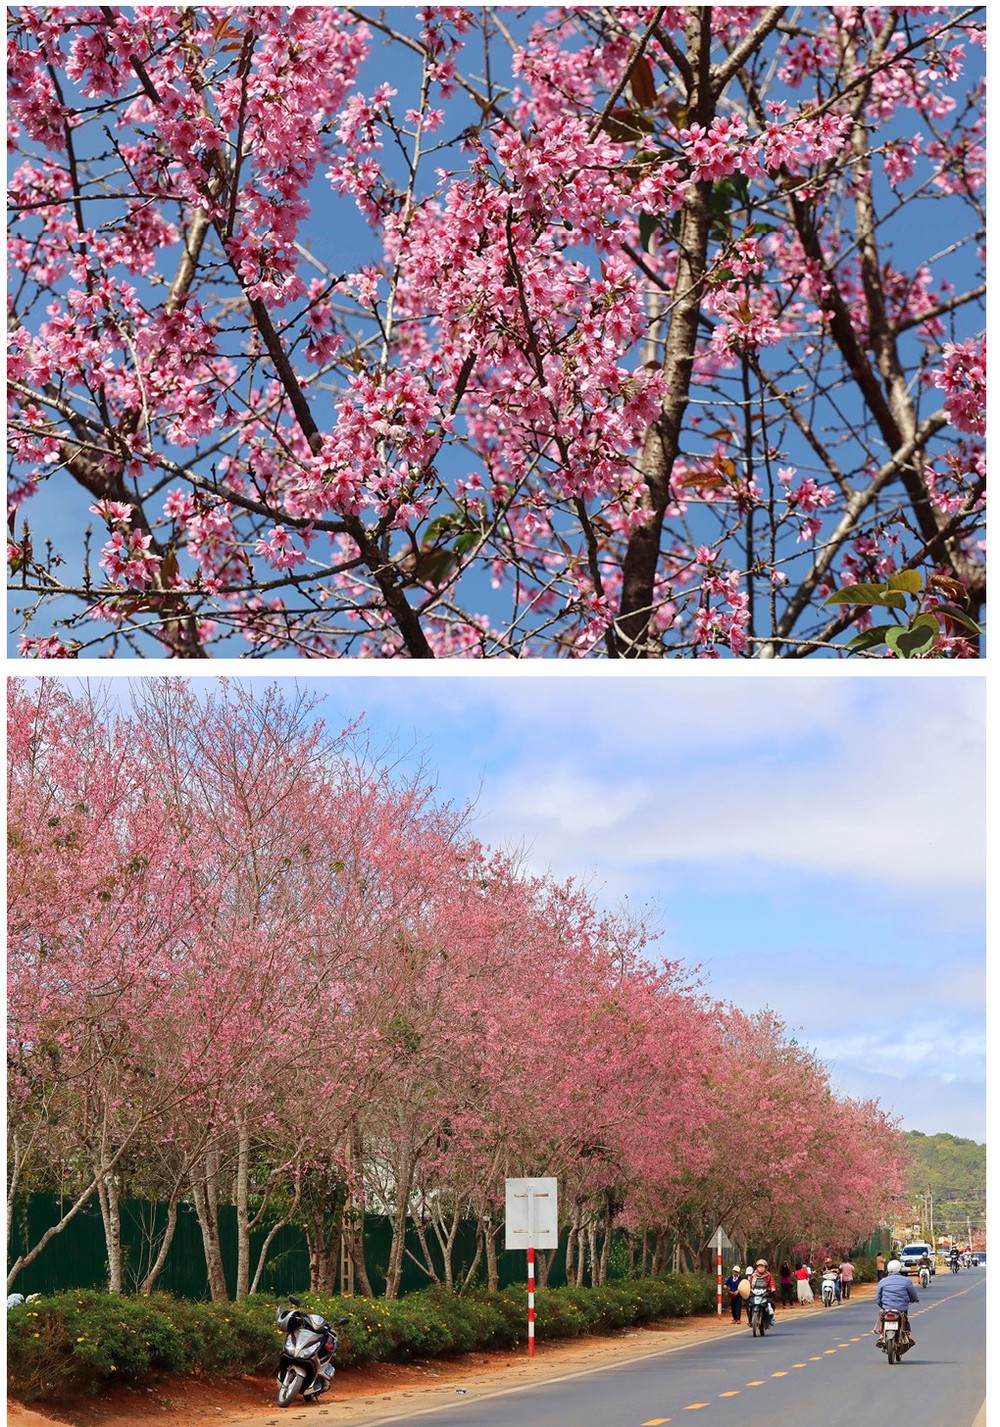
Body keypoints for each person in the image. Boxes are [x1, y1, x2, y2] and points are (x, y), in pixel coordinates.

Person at [875, 1259, 919, 1352]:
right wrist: (915, 1300)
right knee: (905, 1320)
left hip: (887, 1308)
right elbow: (912, 1295)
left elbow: (878, 1298)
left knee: (882, 1318)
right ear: (899, 1269)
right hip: (901, 1308)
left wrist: (883, 1306)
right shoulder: (906, 1281)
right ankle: (909, 1337)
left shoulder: (882, 1281)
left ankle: (882, 1335)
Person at [748, 1258, 777, 1327]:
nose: (761, 1268)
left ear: (765, 1267)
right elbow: (749, 1283)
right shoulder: (753, 1275)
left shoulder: (769, 1275)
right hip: (754, 1293)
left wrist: (772, 1288)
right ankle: (749, 1319)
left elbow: (772, 1283)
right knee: (748, 1304)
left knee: (771, 1304)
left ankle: (770, 1318)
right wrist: (747, 1289)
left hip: (765, 1293)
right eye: (759, 1267)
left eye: (762, 1267)